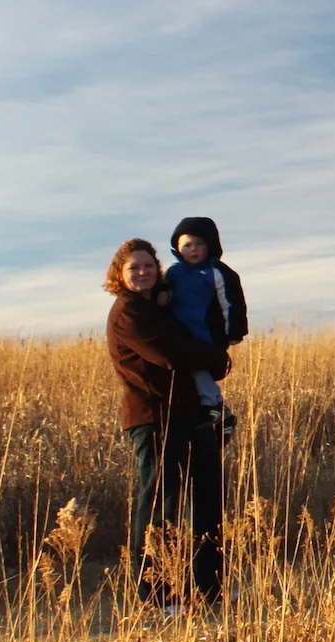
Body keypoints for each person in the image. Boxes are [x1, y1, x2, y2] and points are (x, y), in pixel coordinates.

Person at [104, 238, 231, 603]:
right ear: (119, 274)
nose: (142, 272)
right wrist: (215, 358)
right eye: (134, 268)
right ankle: (156, 594)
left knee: (207, 498)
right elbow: (171, 355)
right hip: (155, 417)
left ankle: (210, 588)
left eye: (148, 266)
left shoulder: (158, 307)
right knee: (161, 502)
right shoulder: (129, 311)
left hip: (187, 413)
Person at [166, 216, 251, 431]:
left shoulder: (218, 272)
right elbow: (163, 294)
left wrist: (234, 330)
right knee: (184, 371)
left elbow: (231, 303)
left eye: (199, 244)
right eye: (187, 245)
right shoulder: (173, 273)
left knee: (198, 367)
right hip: (181, 332)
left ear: (210, 246)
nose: (193, 250)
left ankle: (214, 404)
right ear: (177, 247)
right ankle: (216, 412)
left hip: (207, 334)